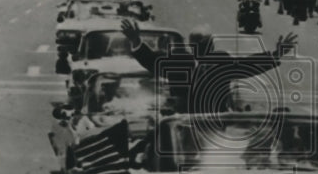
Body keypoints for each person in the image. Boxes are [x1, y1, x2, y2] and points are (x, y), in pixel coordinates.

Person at [120, 18, 296, 116]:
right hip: (183, 122)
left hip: (216, 121)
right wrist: (135, 41)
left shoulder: (219, 60)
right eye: (199, 43)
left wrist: (276, 54)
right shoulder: (180, 60)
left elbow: (247, 66)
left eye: (203, 43)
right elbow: (152, 61)